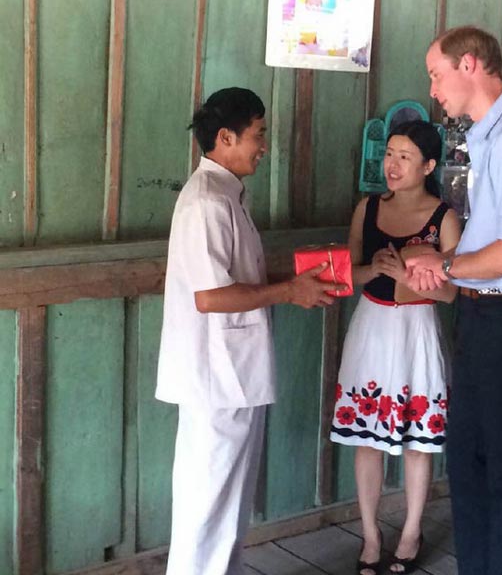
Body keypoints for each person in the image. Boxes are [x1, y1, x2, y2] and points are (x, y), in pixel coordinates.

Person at [156, 87, 341, 575]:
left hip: (231, 377)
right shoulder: (206, 204)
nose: (264, 146)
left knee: (226, 508)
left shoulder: (225, 196)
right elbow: (210, 297)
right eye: (258, 135)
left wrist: (295, 284)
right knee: (207, 509)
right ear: (224, 137)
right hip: (216, 381)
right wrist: (288, 292)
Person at [405, 25, 502, 575]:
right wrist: (445, 271)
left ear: (469, 64)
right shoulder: (488, 137)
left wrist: (444, 264)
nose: (433, 89)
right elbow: (487, 248)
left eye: (436, 74)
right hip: (482, 314)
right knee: (470, 465)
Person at [330, 120, 461, 575]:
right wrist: (374, 269)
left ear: (428, 165)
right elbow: (347, 274)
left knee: (416, 442)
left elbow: (452, 292)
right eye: (389, 154)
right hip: (371, 325)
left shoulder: (444, 217)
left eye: (405, 156)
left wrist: (408, 276)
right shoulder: (367, 208)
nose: (393, 164)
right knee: (364, 437)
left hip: (417, 329)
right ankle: (370, 535)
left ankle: (410, 532)